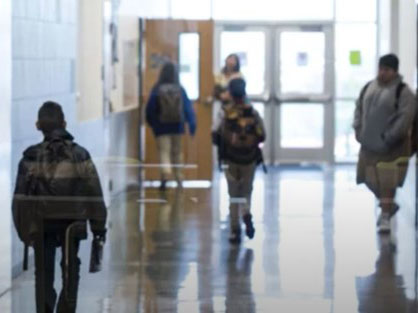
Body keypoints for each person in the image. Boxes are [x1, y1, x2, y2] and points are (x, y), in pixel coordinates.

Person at [12, 101, 107, 313]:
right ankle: (67, 307)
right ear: (64, 123)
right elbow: (95, 194)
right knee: (71, 267)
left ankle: (44, 308)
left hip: (41, 223)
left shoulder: (29, 157)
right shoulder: (80, 155)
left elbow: (19, 201)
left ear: (38, 125)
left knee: (43, 272)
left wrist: (25, 234)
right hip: (73, 222)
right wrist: (98, 229)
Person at [353, 54, 416, 234]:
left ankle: (385, 217)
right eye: (380, 69)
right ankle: (389, 206)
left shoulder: (403, 92)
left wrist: (389, 138)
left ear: (395, 71)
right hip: (368, 146)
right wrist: (357, 129)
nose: (382, 73)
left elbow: (405, 119)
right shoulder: (369, 87)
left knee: (387, 183)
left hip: (391, 148)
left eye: (386, 70)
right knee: (367, 179)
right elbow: (358, 108)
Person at [212, 78, 266, 244]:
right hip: (249, 158)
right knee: (246, 190)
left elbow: (215, 134)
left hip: (230, 157)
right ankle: (246, 212)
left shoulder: (225, 112)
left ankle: (235, 229)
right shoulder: (252, 111)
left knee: (233, 193)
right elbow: (262, 134)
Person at [146, 62, 196, 190]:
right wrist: (191, 124)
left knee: (164, 152)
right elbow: (187, 108)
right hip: (177, 127)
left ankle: (166, 175)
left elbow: (150, 108)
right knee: (177, 153)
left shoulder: (157, 88)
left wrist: (152, 123)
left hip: (161, 127)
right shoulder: (180, 88)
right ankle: (179, 178)